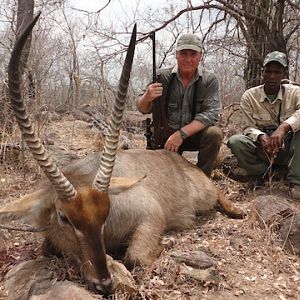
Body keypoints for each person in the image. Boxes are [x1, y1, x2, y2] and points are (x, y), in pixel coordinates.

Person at [137, 33, 222, 177]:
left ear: (200, 56)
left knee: (214, 134)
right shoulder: (160, 76)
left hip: (194, 135)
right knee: (159, 178)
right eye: (183, 54)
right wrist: (147, 97)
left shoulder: (209, 80)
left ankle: (203, 179)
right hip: (166, 138)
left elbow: (211, 114)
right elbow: (142, 108)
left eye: (193, 54)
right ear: (176, 55)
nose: (188, 59)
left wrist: (181, 134)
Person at [227, 51, 300, 200]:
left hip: (289, 149)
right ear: (262, 72)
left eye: (277, 72)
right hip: (264, 151)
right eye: (268, 71)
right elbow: (247, 127)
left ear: (284, 73)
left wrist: (284, 127)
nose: (272, 76)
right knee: (235, 141)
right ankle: (263, 174)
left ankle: (296, 180)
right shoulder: (250, 96)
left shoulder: (295, 92)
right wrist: (260, 136)